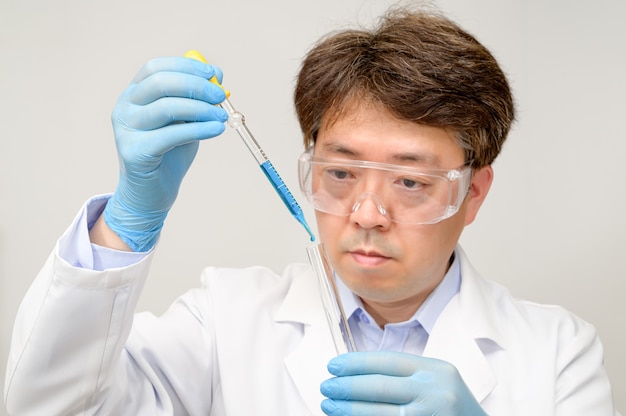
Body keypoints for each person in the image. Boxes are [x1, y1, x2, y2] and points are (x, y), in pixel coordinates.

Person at [4, 6, 619, 416]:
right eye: (341, 173)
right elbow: (50, 404)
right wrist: (129, 217)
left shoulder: (557, 352)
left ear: (472, 194)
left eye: (410, 181)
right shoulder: (224, 320)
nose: (368, 213)